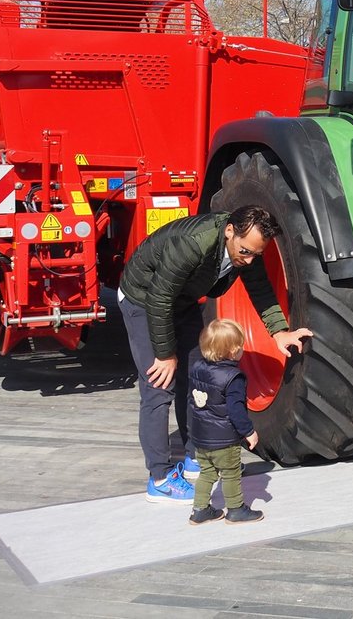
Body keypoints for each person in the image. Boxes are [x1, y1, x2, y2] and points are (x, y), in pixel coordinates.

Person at [118, 204, 313, 502]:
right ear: (229, 231)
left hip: (180, 301)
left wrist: (278, 331)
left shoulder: (248, 248)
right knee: (159, 386)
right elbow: (159, 298)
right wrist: (166, 353)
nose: (248, 260)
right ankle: (159, 478)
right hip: (143, 300)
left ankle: (196, 457)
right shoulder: (192, 244)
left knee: (198, 376)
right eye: (245, 251)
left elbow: (260, 288)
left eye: (255, 255)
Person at [187, 318, 263, 524]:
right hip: (224, 439)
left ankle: (200, 510)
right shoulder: (232, 377)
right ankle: (236, 509)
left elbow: (192, 400)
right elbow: (236, 410)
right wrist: (249, 432)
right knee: (231, 474)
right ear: (232, 352)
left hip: (201, 438)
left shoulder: (197, 367)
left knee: (207, 473)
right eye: (240, 347)